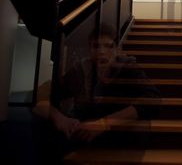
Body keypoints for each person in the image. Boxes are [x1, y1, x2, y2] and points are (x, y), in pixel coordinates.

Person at [34, 23, 160, 163]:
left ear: (117, 49)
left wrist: (103, 124)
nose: (101, 51)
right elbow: (42, 93)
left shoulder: (128, 67)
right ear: (89, 49)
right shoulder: (81, 70)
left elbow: (152, 98)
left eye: (108, 46)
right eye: (96, 46)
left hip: (123, 139)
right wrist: (59, 119)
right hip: (85, 137)